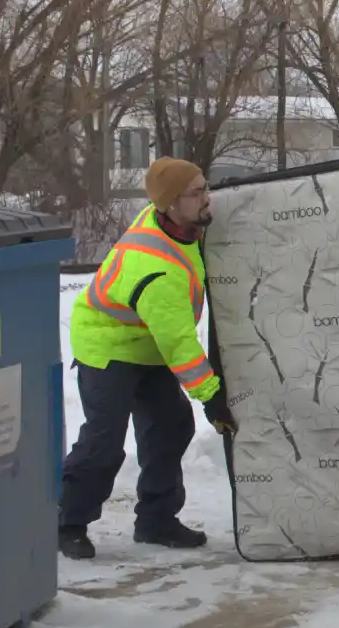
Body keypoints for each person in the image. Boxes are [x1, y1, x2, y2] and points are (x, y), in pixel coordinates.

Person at [59, 158, 234, 560]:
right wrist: (212, 397)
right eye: (198, 193)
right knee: (104, 441)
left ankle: (156, 520)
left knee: (170, 426)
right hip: (107, 345)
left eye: (206, 187)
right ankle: (67, 521)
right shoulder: (157, 270)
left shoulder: (175, 224)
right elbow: (179, 344)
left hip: (145, 342)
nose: (208, 198)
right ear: (171, 204)